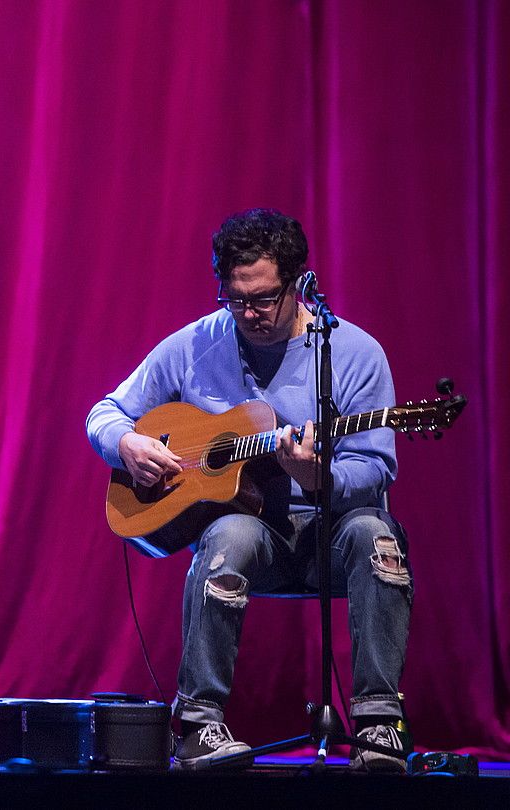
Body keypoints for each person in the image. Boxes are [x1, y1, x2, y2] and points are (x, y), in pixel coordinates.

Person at [86, 209, 412, 771]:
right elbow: (106, 412)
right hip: (253, 538)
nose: (249, 314)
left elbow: (376, 469)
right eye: (235, 299)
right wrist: (126, 446)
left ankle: (377, 722)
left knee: (375, 533)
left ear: (299, 284)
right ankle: (197, 725)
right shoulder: (197, 344)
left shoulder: (355, 354)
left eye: (263, 298)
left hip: (329, 537)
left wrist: (318, 476)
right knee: (229, 532)